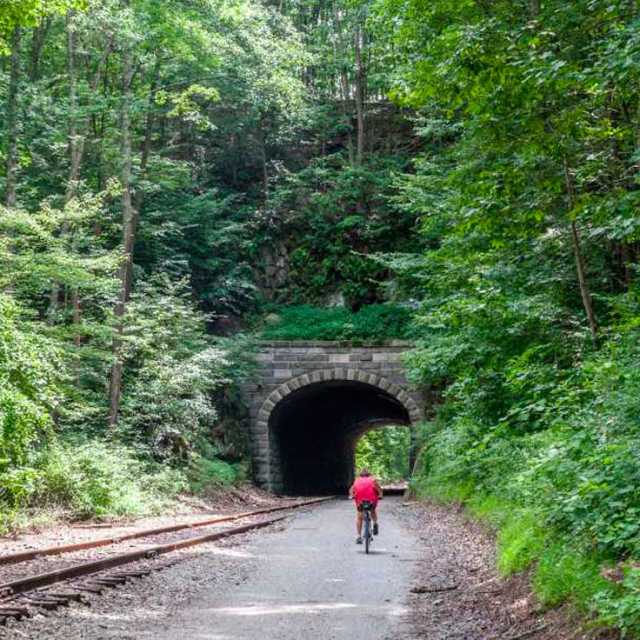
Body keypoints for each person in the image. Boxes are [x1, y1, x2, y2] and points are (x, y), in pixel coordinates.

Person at [349, 468, 382, 544]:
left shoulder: (357, 481)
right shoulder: (373, 480)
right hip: (371, 501)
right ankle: (375, 523)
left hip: (360, 501)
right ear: (369, 474)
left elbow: (351, 490)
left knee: (359, 517)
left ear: (360, 475)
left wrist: (352, 496)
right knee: (373, 510)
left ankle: (358, 536)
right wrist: (380, 495)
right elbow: (379, 489)